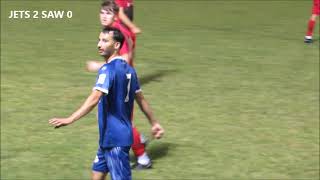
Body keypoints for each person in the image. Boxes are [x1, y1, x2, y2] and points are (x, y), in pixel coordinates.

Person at [49, 27, 164, 180]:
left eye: (104, 41)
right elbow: (141, 100)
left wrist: (70, 119)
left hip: (115, 140)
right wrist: (154, 123)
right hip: (109, 139)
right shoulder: (130, 70)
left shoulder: (107, 70)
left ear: (116, 45)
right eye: (99, 40)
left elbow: (94, 98)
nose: (99, 44)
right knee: (96, 176)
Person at [86, 1, 153, 170]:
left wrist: (98, 66)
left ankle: (143, 157)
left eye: (108, 13)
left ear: (116, 15)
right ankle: (138, 142)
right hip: (117, 81)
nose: (103, 16)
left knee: (123, 122)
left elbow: (125, 60)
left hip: (123, 83)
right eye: (102, 12)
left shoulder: (119, 32)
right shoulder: (112, 31)